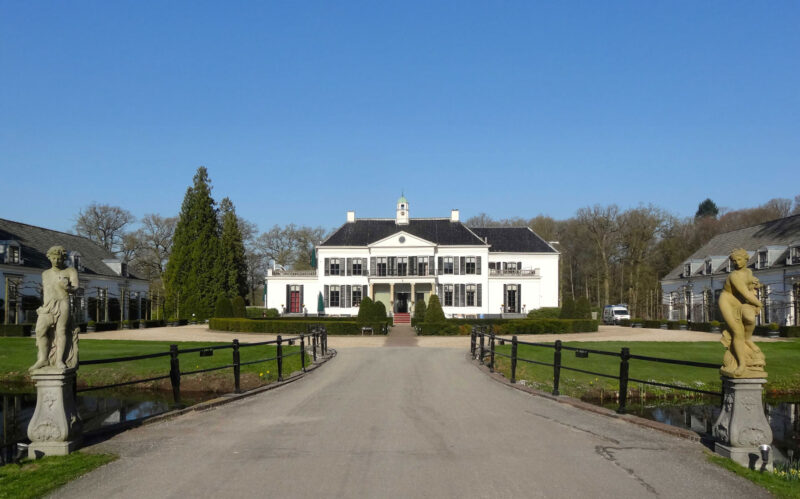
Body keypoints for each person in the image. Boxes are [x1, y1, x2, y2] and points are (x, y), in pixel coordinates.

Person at [29, 246, 79, 370]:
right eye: (53, 258)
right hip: (47, 306)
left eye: (59, 258)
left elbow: (76, 288)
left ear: (63, 258)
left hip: (63, 302)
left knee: (61, 331)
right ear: (49, 258)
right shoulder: (45, 274)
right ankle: (43, 359)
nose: (56, 261)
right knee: (40, 331)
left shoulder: (70, 271)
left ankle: (59, 360)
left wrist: (67, 288)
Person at [718, 248, 766, 378]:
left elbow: (749, 286)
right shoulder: (734, 275)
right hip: (727, 301)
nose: (737, 263)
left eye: (739, 259)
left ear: (746, 259)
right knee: (737, 332)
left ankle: (748, 340)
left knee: (750, 319)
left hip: (738, 301)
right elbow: (745, 293)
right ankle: (742, 365)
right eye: (734, 261)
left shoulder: (749, 271)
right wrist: (759, 304)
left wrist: (755, 284)